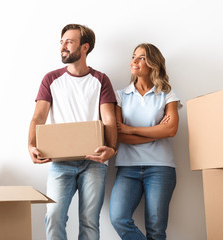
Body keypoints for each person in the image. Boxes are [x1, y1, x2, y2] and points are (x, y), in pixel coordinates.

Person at [28, 24, 117, 240]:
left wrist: (112, 149)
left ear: (84, 47)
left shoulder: (101, 80)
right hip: (61, 161)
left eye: (69, 42)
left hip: (94, 162)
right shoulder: (51, 79)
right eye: (61, 42)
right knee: (54, 215)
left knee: (89, 222)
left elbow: (109, 119)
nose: (63, 47)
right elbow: (38, 117)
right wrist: (31, 145)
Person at [109, 43, 182, 240]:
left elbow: (171, 130)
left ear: (153, 63)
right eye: (133, 56)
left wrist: (131, 129)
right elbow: (117, 136)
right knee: (118, 218)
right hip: (127, 168)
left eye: (141, 57)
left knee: (156, 231)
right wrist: (156, 132)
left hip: (160, 168)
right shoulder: (120, 95)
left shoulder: (168, 94)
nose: (134, 61)